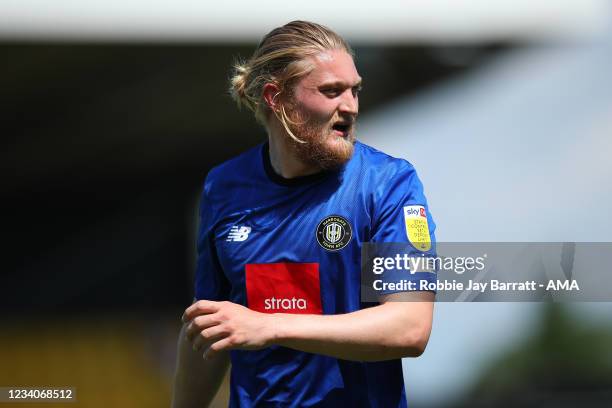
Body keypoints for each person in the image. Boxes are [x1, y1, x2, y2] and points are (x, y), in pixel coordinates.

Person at [172, 20, 437, 408]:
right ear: (276, 97)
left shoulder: (388, 184)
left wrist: (269, 325)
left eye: (354, 90)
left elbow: (409, 327)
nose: (350, 105)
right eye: (331, 91)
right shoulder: (224, 187)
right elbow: (209, 327)